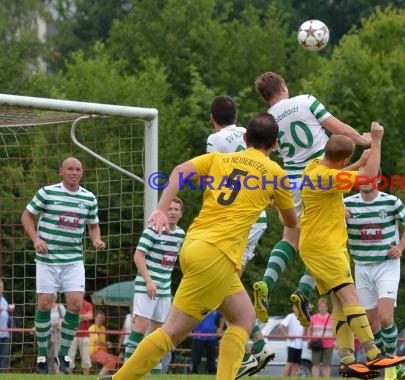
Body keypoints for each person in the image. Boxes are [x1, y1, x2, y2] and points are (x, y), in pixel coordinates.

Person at [101, 112, 296, 380]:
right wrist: (273, 201)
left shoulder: (220, 158)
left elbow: (180, 171)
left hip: (195, 245)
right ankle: (119, 379)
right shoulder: (276, 173)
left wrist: (160, 209)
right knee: (172, 332)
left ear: (245, 137)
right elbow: (291, 221)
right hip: (217, 256)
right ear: (275, 145)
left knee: (244, 318)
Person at [253, 72, 371, 328]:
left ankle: (265, 283)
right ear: (284, 86)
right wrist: (364, 140)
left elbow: (268, 155)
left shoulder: (268, 120)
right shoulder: (306, 101)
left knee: (290, 239)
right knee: (321, 242)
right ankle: (303, 292)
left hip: (292, 182)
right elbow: (338, 128)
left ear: (265, 97)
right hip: (322, 178)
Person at [298, 122, 405, 379]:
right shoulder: (327, 176)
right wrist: (377, 141)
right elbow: (368, 179)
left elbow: (342, 174)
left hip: (318, 246)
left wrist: (357, 163)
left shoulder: (313, 167)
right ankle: (373, 353)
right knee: (351, 299)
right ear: (343, 157)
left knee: (339, 304)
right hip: (325, 247)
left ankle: (347, 359)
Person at [205, 95, 275, 378]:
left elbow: (214, 177)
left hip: (233, 221)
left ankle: (256, 346)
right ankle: (258, 345)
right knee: (225, 282)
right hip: (256, 218)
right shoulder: (251, 138)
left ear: (212, 118)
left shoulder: (216, 139)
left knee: (220, 285)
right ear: (238, 117)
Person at [21, 156, 106, 374]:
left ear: (82, 172)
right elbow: (26, 216)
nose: (74, 172)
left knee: (76, 305)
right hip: (48, 259)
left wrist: (96, 239)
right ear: (61, 171)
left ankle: (64, 354)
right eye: (70, 168)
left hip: (73, 260)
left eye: (78, 169)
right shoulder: (47, 192)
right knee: (45, 304)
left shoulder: (89, 198)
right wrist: (36, 239)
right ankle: (42, 354)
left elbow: (93, 226)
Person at [344, 171, 405, 379]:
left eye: (370, 177)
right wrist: (338, 213)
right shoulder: (346, 204)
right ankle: (378, 362)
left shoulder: (391, 201)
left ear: (377, 179)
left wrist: (401, 246)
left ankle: (393, 364)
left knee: (386, 318)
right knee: (371, 323)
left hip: (387, 265)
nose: (365, 181)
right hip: (361, 266)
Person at [123, 198, 185, 375]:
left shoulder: (181, 235)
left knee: (158, 333)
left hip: (164, 289)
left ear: (181, 214)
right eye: (169, 208)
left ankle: (155, 374)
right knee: (141, 327)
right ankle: (126, 371)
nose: (172, 212)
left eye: (176, 209)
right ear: (163, 212)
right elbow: (138, 256)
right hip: (146, 285)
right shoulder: (152, 230)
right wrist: (149, 281)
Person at [191, 309, 224, 374]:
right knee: (195, 360)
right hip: (198, 337)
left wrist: (220, 328)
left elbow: (222, 316)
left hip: (211, 337)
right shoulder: (198, 304)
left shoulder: (215, 307)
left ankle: (211, 373)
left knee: (212, 360)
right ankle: (193, 372)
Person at [307, 297, 334, 378]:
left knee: (327, 364)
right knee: (315, 363)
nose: (322, 308)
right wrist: (309, 340)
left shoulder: (332, 318)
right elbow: (309, 330)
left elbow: (336, 331)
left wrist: (336, 342)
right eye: (320, 306)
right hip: (316, 344)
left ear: (327, 307)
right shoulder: (313, 318)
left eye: (323, 306)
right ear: (318, 307)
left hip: (329, 344)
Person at [69, 293, 94, 375]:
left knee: (86, 358)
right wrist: (84, 317)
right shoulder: (71, 303)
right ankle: (67, 377)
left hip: (85, 335)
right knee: (70, 357)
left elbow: (90, 316)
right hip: (72, 335)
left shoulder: (88, 305)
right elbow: (69, 318)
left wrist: (78, 317)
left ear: (84, 294)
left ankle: (86, 377)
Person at [279, 305, 305, 377]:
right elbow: (281, 326)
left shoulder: (303, 317)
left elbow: (306, 328)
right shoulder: (290, 316)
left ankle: (293, 378)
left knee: (296, 364)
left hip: (300, 345)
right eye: (296, 307)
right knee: (290, 363)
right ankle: (284, 378)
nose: (297, 309)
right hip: (292, 344)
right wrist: (287, 336)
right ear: (293, 308)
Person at [89, 311, 118, 376]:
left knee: (117, 360)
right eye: (100, 318)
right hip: (95, 351)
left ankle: (108, 376)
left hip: (103, 351)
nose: (101, 319)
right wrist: (107, 343)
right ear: (95, 318)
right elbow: (97, 342)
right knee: (111, 361)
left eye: (103, 318)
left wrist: (107, 344)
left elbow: (102, 342)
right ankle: (99, 377)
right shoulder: (92, 328)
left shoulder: (103, 328)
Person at [48, 295, 66, 374]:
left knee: (57, 353)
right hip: (47, 334)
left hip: (58, 334)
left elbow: (66, 320)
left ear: (55, 298)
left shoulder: (60, 307)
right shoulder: (45, 307)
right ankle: (48, 372)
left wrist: (59, 323)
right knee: (48, 355)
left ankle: (59, 372)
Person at [0, 280, 14, 372]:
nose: (1, 289)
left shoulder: (5, 300)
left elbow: (9, 316)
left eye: (2, 287)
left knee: (5, 358)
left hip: (5, 335)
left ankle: (3, 375)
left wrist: (11, 310)